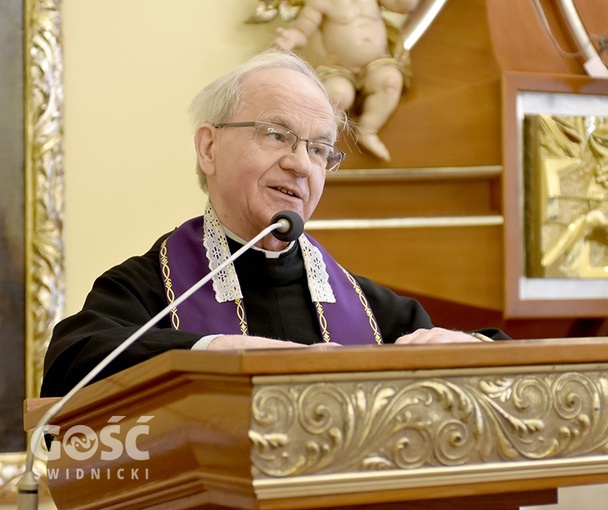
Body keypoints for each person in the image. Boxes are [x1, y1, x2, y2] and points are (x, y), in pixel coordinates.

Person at [40, 49, 507, 398]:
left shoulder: (369, 308)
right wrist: (224, 354)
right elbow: (72, 361)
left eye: (320, 149)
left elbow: (502, 358)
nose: (302, 165)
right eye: (278, 135)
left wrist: (465, 347)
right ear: (208, 149)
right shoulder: (149, 290)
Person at [268, 0, 418, 162]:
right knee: (337, 94)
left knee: (390, 81)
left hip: (377, 64)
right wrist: (289, 39)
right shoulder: (320, 3)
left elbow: (404, 6)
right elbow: (302, 32)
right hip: (340, 69)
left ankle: (368, 129)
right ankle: (324, 143)